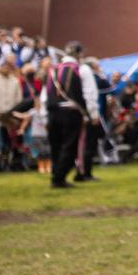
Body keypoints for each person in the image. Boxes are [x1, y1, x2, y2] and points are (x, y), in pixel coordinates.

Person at [41, 42, 98, 189]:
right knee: (70, 146)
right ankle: (58, 178)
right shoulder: (82, 69)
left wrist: (43, 116)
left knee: (56, 146)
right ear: (79, 53)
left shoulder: (53, 69)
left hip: (53, 112)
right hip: (71, 112)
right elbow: (90, 94)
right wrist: (92, 114)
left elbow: (44, 95)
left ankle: (56, 175)